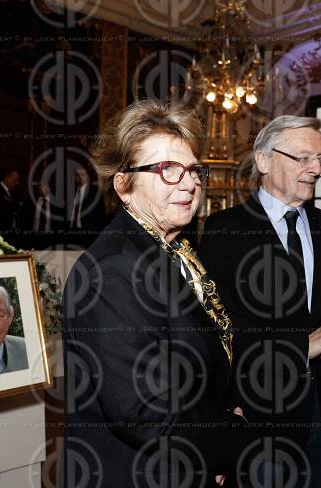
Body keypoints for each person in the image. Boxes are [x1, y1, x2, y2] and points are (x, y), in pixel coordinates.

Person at [62, 100, 245, 488]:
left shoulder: (177, 251)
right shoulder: (111, 273)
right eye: (167, 170)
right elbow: (143, 413)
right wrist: (231, 436)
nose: (190, 182)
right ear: (123, 185)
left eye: (194, 170)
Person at [199, 115, 321, 487]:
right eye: (303, 158)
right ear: (263, 161)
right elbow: (220, 334)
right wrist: (299, 347)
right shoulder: (225, 231)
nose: (316, 169)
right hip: (263, 423)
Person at [66, 164, 105, 247]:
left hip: (88, 237)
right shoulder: (70, 193)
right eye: (77, 175)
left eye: (83, 174)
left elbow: (100, 216)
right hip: (71, 235)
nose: (80, 177)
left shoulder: (95, 192)